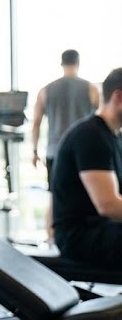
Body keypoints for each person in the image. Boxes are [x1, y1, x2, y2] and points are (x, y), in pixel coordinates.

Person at [50, 68, 122, 265]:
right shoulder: (90, 136)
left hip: (103, 230)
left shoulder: (115, 137)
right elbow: (108, 206)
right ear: (118, 97)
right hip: (78, 236)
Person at [31, 49, 99, 241]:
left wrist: (34, 151)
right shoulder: (91, 89)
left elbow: (36, 123)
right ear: (78, 63)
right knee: (87, 196)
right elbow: (103, 117)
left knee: (55, 198)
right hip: (84, 152)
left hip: (55, 152)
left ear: (62, 64)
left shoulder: (45, 90)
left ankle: (52, 241)